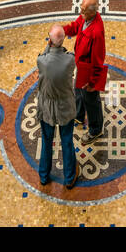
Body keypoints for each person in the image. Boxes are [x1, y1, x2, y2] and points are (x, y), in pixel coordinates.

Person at [36, 24, 79, 188]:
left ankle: (44, 176)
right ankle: (69, 178)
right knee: (67, 141)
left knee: (47, 141)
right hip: (65, 107)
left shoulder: (42, 61)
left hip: (47, 107)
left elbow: (45, 55)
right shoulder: (70, 60)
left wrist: (49, 45)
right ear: (63, 40)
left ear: (49, 40)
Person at [63, 0, 108, 139]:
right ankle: (78, 114)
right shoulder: (85, 17)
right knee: (78, 90)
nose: (80, 13)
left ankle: (95, 130)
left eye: (83, 11)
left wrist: (93, 82)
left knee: (91, 100)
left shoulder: (96, 32)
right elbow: (76, 26)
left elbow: (98, 59)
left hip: (89, 71)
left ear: (92, 12)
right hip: (81, 65)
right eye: (81, 9)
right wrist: (62, 31)